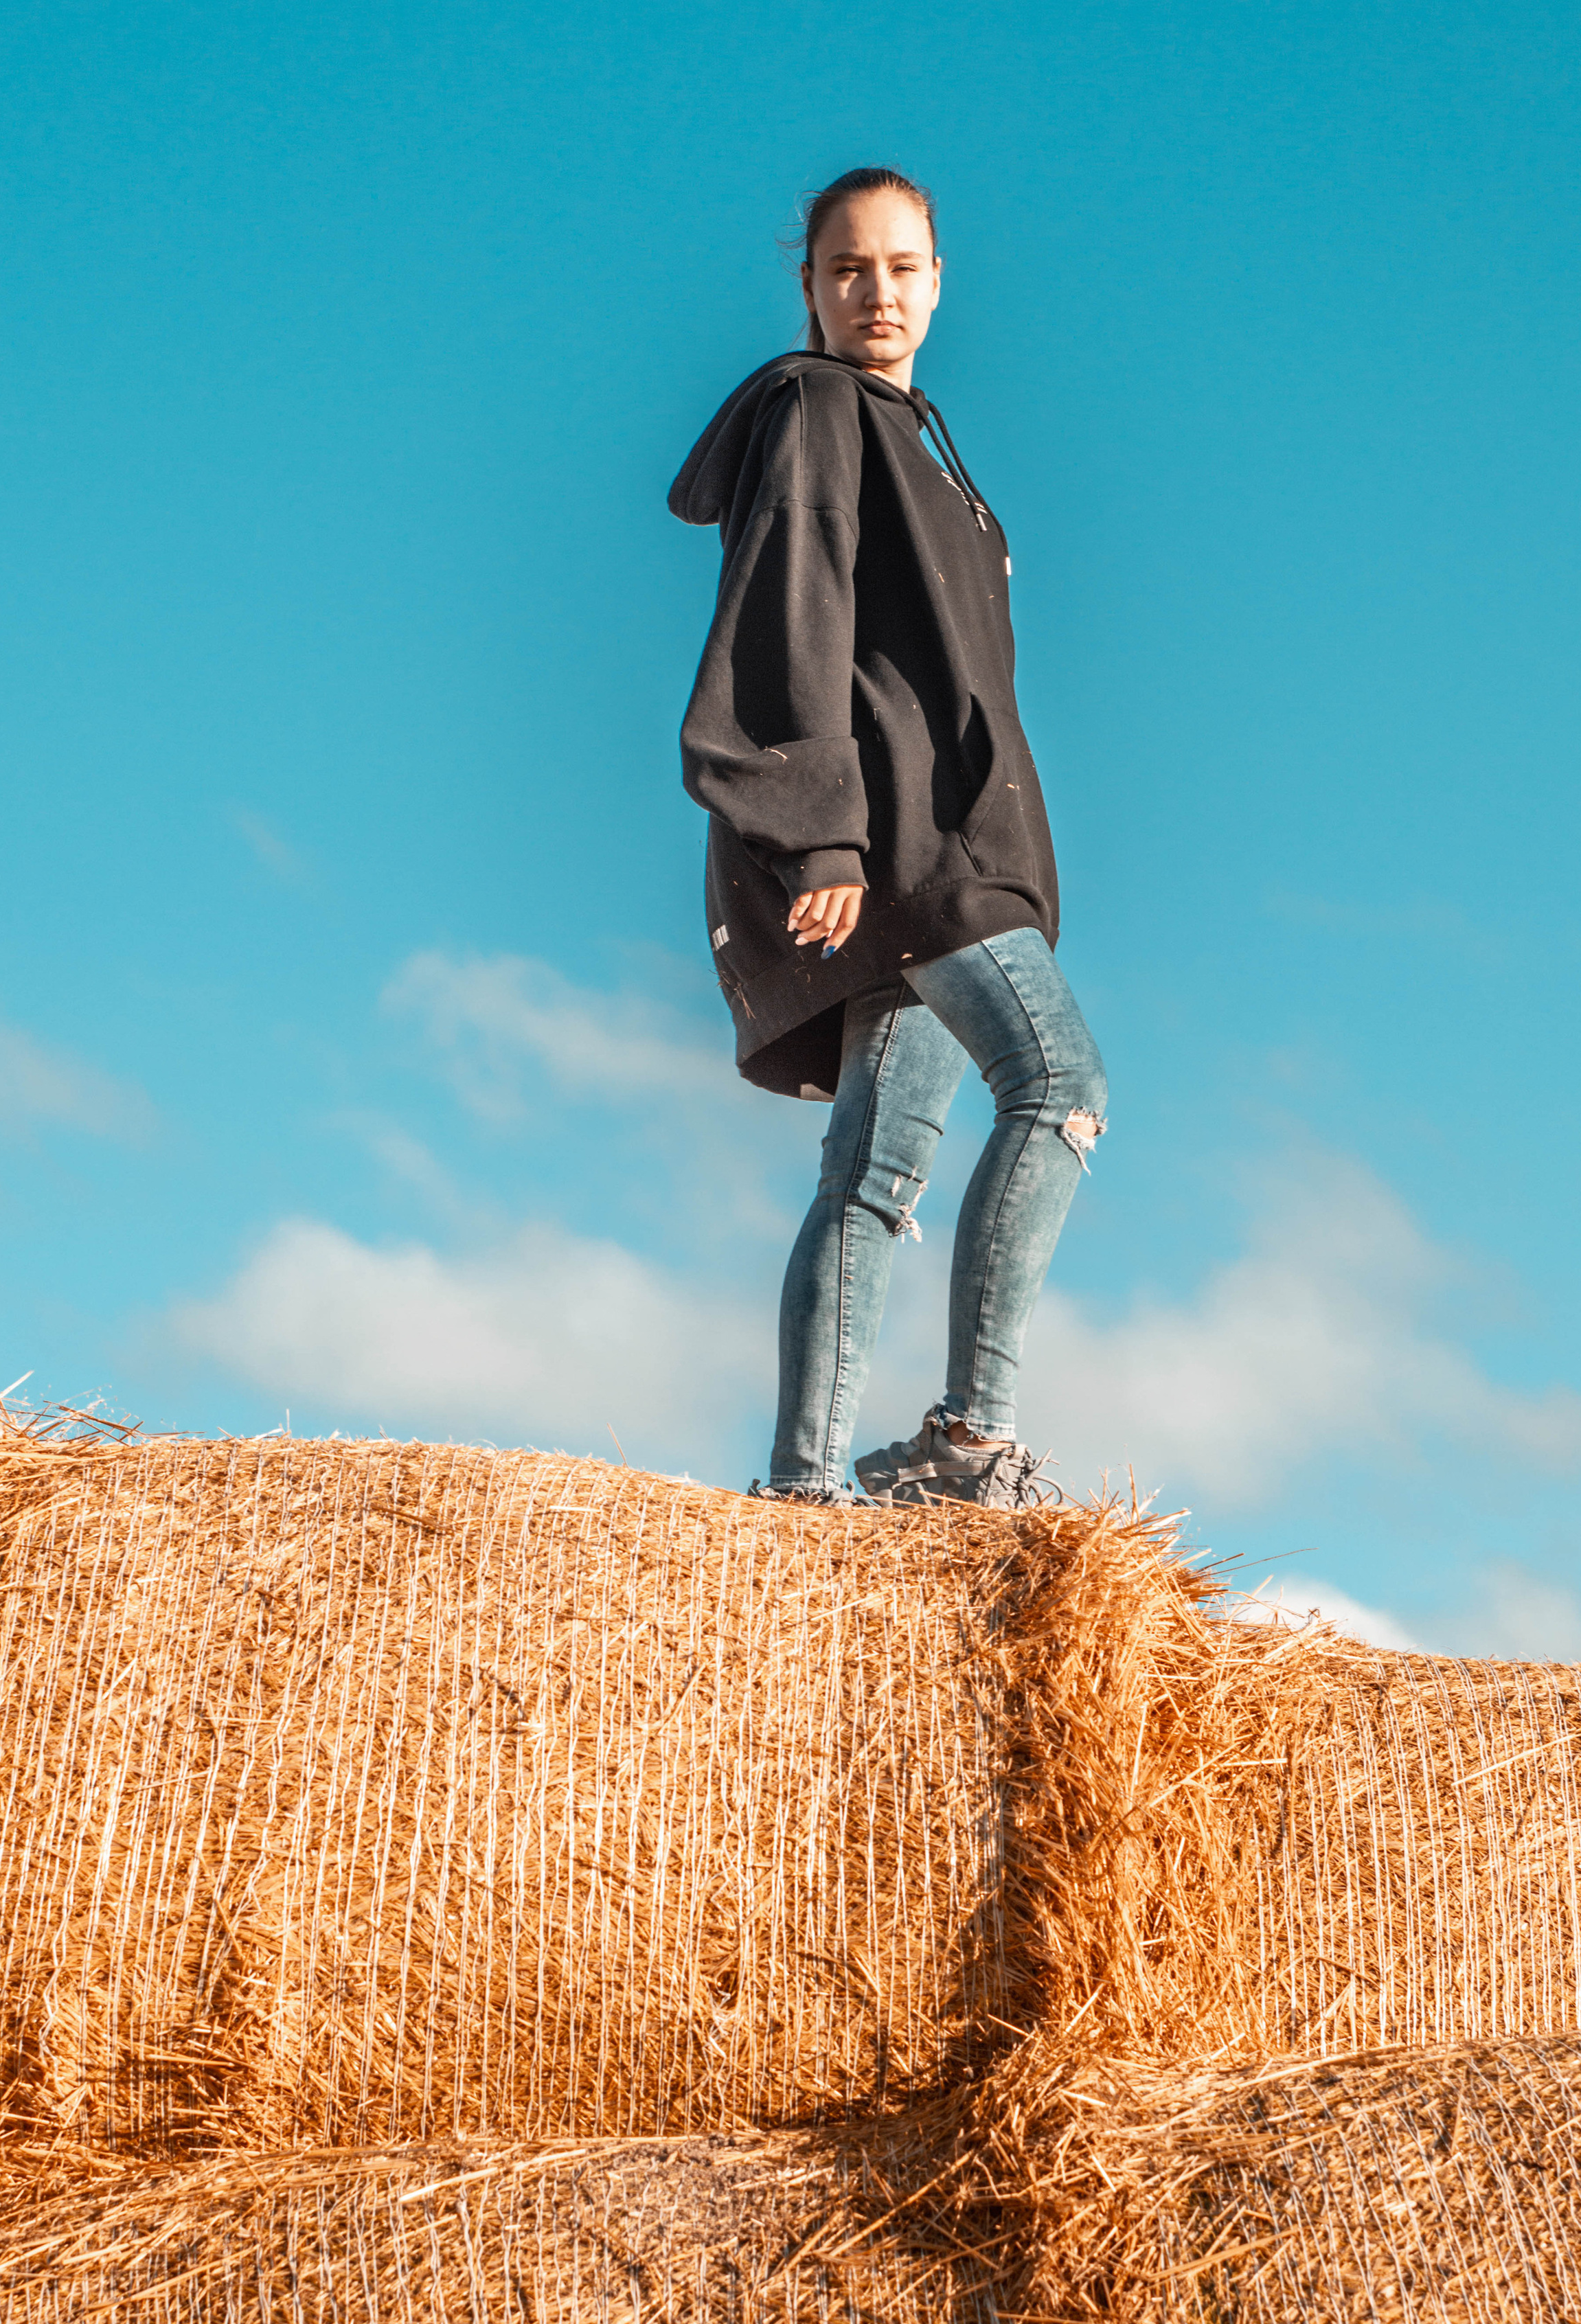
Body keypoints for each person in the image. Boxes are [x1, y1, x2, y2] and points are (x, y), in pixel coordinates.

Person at [669, 166, 1106, 1510]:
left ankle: (803, 1483)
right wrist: (818, 837)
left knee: (871, 1169)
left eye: (902, 267)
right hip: (905, 846)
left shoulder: (917, 442)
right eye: (847, 269)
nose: (877, 293)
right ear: (806, 284)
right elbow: (785, 613)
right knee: (1057, 1085)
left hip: (928, 836)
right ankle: (969, 1436)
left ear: (936, 278)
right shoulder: (812, 409)